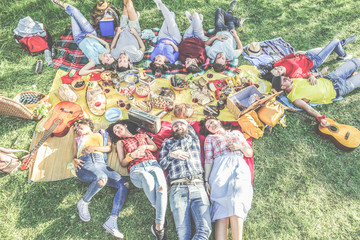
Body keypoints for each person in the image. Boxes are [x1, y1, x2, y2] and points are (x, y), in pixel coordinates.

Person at [107, 120, 167, 240]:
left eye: (118, 127)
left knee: (161, 188)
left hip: (152, 164)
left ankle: (158, 227)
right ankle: (159, 211)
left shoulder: (142, 135)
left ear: (125, 125)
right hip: (136, 169)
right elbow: (123, 162)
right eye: (115, 131)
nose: (117, 131)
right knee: (147, 178)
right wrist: (131, 156)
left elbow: (154, 148)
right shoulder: (120, 142)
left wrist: (145, 146)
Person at [72, 119, 128, 239]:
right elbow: (74, 156)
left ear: (88, 125)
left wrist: (94, 148)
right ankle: (83, 202)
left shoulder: (102, 134)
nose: (77, 129)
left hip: (101, 164)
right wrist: (74, 160)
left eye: (79, 125)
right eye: (76, 129)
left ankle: (112, 220)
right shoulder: (77, 140)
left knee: (124, 185)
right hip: (85, 164)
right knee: (101, 178)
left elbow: (108, 148)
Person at [199, 116, 253, 240]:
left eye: (212, 122)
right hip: (220, 167)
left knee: (237, 202)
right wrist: (206, 180)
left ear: (219, 121)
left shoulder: (236, 133)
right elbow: (208, 160)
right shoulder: (210, 138)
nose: (211, 125)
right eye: (208, 126)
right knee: (221, 207)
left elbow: (249, 153)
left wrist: (239, 147)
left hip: (238, 165)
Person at [158, 119, 212, 240]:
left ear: (187, 127)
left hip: (198, 186)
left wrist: (184, 121)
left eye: (181, 124)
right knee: (183, 235)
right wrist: (172, 155)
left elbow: (192, 125)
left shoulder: (194, 140)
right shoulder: (167, 143)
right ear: (172, 130)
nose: (178, 127)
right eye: (175, 126)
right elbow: (161, 165)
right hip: (177, 188)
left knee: (205, 229)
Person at [271, 58, 360, 127]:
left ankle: (350, 76)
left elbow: (307, 75)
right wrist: (321, 118)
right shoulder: (294, 98)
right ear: (283, 87)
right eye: (285, 79)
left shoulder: (294, 80)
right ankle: (351, 77)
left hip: (331, 77)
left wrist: (312, 76)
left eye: (286, 77)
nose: (288, 78)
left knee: (356, 61)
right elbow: (309, 109)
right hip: (340, 88)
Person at [52, 0, 116, 75]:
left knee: (73, 16)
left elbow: (81, 72)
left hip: (79, 38)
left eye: (107, 59)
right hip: (91, 33)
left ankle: (66, 8)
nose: (108, 55)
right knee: (75, 12)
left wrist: (97, 70)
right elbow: (106, 44)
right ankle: (63, 4)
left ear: (103, 62)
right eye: (110, 56)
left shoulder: (93, 62)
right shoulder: (107, 51)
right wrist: (94, 37)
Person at [259, 36, 356, 83]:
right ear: (281, 76)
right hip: (315, 60)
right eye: (278, 72)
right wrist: (320, 73)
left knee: (331, 46)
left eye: (275, 69)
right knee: (334, 41)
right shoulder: (292, 75)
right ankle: (343, 54)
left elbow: (285, 58)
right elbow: (307, 74)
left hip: (308, 53)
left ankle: (340, 46)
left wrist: (295, 53)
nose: (278, 69)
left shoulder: (276, 64)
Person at [205, 0, 244, 72]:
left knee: (219, 10)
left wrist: (216, 37)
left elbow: (206, 44)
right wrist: (236, 36)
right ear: (226, 61)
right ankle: (231, 14)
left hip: (219, 29)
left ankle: (236, 20)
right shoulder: (231, 55)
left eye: (218, 57)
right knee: (229, 20)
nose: (221, 55)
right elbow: (241, 49)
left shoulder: (211, 53)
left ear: (214, 59)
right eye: (223, 58)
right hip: (230, 31)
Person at [110, 0, 145, 72]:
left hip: (122, 28)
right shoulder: (136, 57)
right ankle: (134, 16)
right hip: (133, 30)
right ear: (129, 63)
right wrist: (136, 33)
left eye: (120, 61)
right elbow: (143, 47)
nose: (121, 58)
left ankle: (134, 15)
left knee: (126, 6)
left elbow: (112, 46)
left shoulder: (115, 55)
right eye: (124, 61)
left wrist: (117, 33)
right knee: (129, 6)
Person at [150, 0, 182, 74]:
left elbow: (155, 46)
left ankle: (164, 9)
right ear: (164, 63)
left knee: (169, 18)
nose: (157, 58)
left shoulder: (152, 56)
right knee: (170, 19)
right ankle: (160, 4)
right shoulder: (171, 60)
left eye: (156, 61)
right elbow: (177, 50)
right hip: (174, 38)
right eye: (159, 61)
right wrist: (170, 43)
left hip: (162, 36)